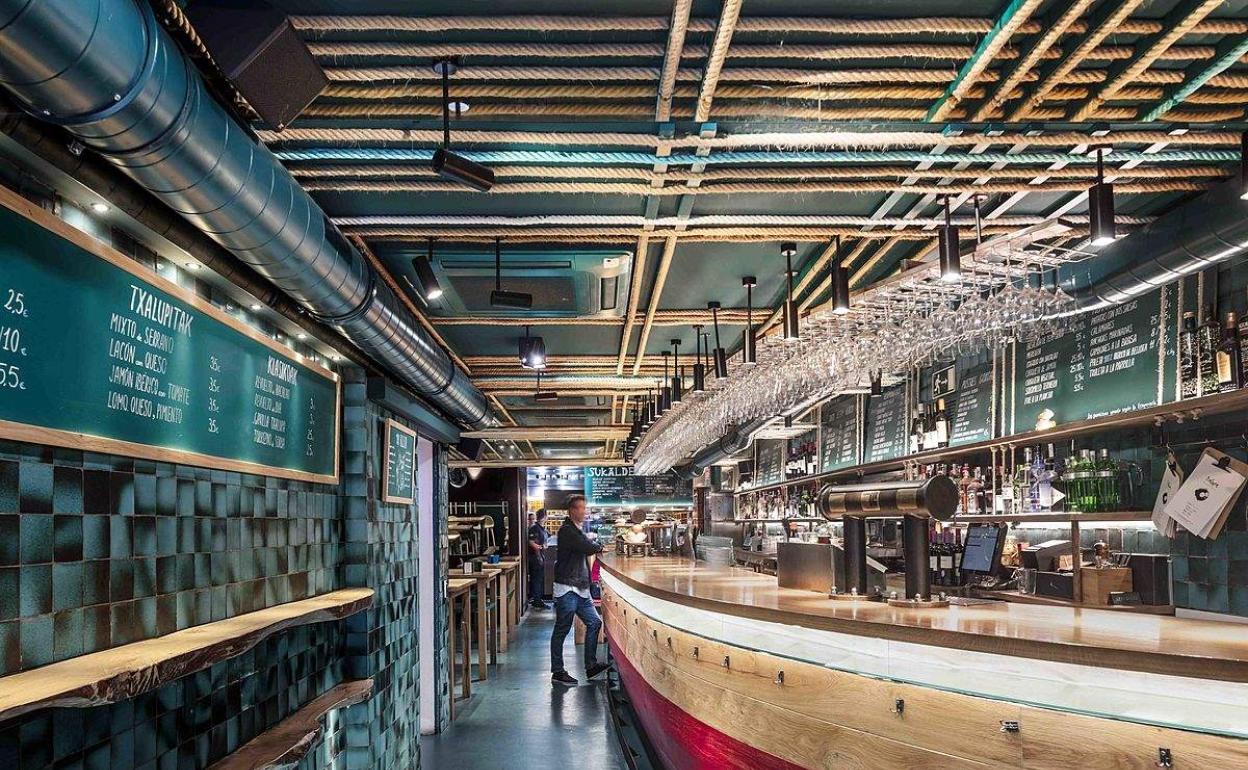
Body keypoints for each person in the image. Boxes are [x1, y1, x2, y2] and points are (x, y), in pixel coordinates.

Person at [550, 495, 606, 686]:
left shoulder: (576, 529)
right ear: (572, 510)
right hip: (567, 588)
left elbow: (587, 546)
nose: (584, 511)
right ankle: (558, 671)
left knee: (594, 623)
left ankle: (591, 666)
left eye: (584, 507)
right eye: (581, 508)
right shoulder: (567, 531)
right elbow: (587, 548)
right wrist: (599, 546)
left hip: (580, 588)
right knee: (562, 629)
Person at [527, 510, 550, 609]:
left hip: (539, 556)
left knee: (539, 579)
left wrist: (543, 546)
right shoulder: (535, 528)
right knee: (537, 579)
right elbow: (531, 542)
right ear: (544, 517)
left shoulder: (541, 529)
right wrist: (540, 547)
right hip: (535, 557)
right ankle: (537, 600)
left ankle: (537, 599)